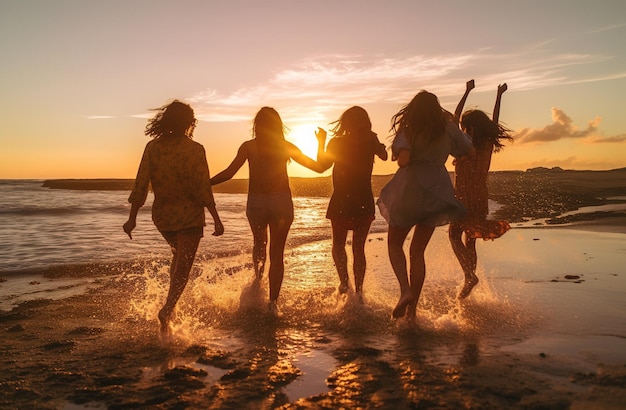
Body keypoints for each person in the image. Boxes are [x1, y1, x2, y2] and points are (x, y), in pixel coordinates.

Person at [210, 107, 327, 315]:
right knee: (277, 253)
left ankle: (258, 282)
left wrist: (205, 183)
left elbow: (229, 173)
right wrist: (321, 142)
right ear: (278, 126)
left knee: (259, 244)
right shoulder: (285, 146)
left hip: (256, 202)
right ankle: (272, 304)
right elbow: (319, 168)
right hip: (281, 201)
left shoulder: (249, 147)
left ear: (257, 125)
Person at [123, 100, 224, 334]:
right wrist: (216, 218)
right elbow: (202, 189)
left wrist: (132, 218)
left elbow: (141, 184)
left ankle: (170, 307)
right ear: (190, 123)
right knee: (184, 265)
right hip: (190, 215)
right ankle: (168, 308)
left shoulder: (153, 147)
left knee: (178, 257)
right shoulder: (195, 149)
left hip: (163, 216)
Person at [377, 91, 473, 322]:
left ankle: (404, 291)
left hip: (410, 189)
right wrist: (454, 158)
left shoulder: (409, 127)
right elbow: (470, 151)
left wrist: (400, 153)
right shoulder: (448, 127)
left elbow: (404, 160)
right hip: (437, 191)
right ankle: (412, 313)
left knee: (394, 243)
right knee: (417, 252)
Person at [449, 80, 513, 299]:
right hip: (480, 196)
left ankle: (469, 275)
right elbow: (494, 122)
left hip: (462, 198)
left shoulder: (464, 144)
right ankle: (469, 276)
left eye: (465, 126)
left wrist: (466, 91)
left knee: (454, 235)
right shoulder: (486, 144)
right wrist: (499, 95)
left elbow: (454, 118)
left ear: (469, 128)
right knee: (471, 238)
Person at [316, 106, 388, 297]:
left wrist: (321, 142)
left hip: (341, 200)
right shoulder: (370, 139)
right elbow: (385, 156)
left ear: (345, 122)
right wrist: (378, 144)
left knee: (338, 244)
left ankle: (344, 283)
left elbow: (322, 166)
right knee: (358, 248)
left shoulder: (337, 142)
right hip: (363, 200)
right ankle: (359, 290)